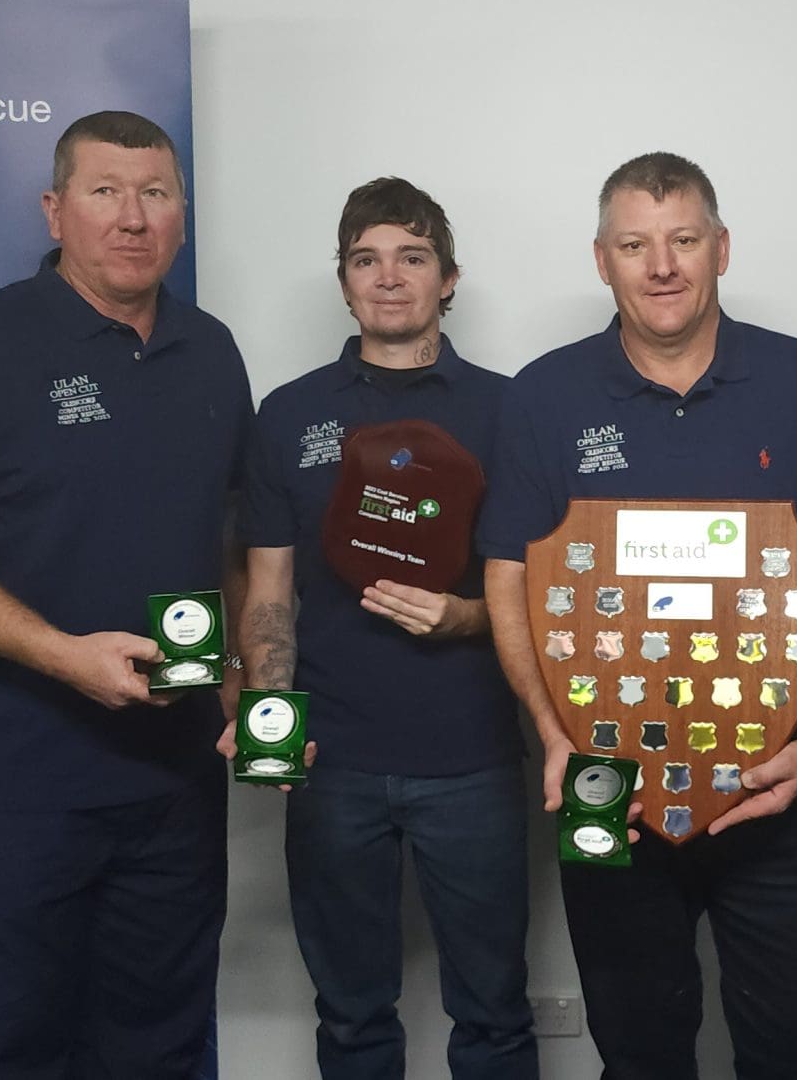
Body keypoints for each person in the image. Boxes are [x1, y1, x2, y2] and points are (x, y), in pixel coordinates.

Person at [478, 152, 797, 1078]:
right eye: (635, 244)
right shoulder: (544, 395)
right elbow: (509, 578)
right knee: (640, 1056)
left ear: (722, 248)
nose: (661, 265)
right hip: (609, 790)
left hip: (779, 784)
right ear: (601, 260)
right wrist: (553, 733)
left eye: (683, 240)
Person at [0, 110, 250, 1078]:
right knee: (10, 1050)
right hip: (16, 790)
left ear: (181, 216)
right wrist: (58, 652)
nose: (132, 217)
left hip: (173, 791)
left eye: (155, 194)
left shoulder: (211, 350)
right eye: (105, 191)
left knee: (160, 1049)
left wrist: (248, 686)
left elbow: (234, 545)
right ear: (54, 207)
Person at [229, 177, 535, 1078]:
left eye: (412, 257)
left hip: (473, 760)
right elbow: (268, 588)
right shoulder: (289, 414)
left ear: (449, 279)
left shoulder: (510, 410)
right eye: (366, 259)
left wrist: (468, 616)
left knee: (494, 1013)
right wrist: (269, 737)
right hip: (333, 766)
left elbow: (552, 585)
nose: (389, 277)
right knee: (353, 1017)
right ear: (344, 280)